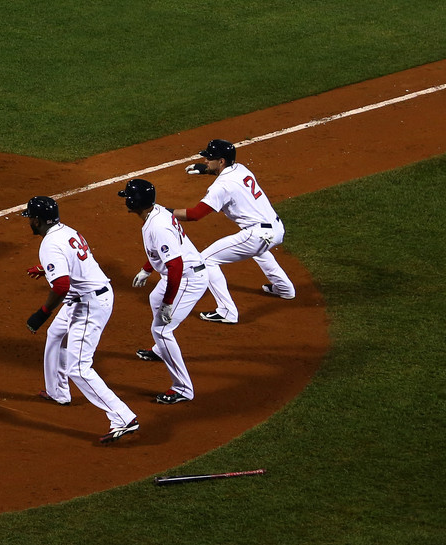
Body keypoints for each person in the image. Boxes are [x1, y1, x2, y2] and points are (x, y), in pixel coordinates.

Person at [22, 196, 139, 444]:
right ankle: (58, 392)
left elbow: (62, 285)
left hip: (88, 305)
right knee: (55, 335)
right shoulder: (65, 231)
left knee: (78, 367)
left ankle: (123, 417)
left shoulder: (49, 244)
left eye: (30, 217)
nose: (29, 221)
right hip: (86, 296)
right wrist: (47, 268)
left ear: (38, 220)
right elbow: (71, 263)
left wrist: (42, 313)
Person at [173, 139, 295, 324]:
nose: (205, 160)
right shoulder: (240, 168)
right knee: (259, 252)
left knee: (205, 260)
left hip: (257, 235)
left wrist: (165, 212)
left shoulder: (221, 187)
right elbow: (226, 177)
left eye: (209, 158)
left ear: (221, 161)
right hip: (276, 228)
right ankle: (285, 289)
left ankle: (226, 311)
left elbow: (195, 214)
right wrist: (205, 170)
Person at [119, 179, 208, 405]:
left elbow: (175, 265)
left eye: (127, 197)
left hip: (188, 278)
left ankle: (183, 388)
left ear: (135, 202)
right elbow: (166, 253)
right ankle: (161, 350)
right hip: (180, 273)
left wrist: (170, 302)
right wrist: (147, 269)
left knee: (161, 330)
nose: (125, 200)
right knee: (153, 297)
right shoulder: (156, 212)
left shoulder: (158, 226)